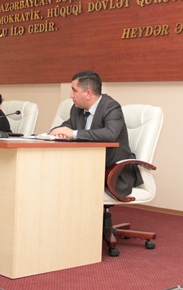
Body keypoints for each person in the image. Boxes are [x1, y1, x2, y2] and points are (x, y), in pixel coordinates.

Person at [50, 70, 142, 198]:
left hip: (112, 172)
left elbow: (110, 134)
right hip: (86, 167)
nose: (70, 95)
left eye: (74, 90)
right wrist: (56, 132)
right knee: (54, 175)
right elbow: (66, 126)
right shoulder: (77, 109)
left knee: (64, 182)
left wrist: (73, 134)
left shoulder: (111, 107)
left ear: (88, 93)